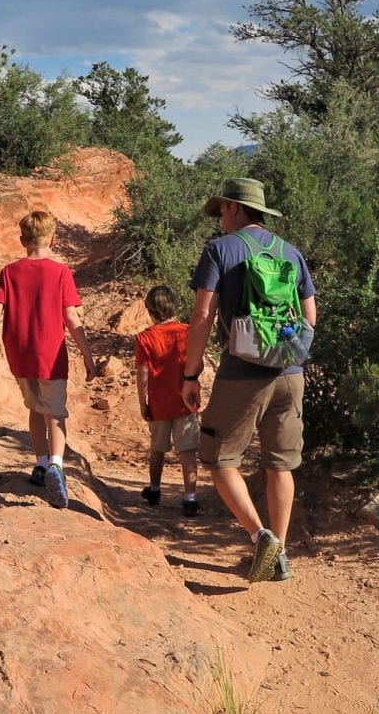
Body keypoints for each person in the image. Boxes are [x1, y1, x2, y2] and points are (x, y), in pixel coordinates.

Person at [181, 178, 316, 582]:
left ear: (235, 209)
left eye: (222, 209)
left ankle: (260, 538)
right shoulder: (291, 252)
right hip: (291, 372)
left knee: (219, 458)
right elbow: (311, 317)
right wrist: (289, 352)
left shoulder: (220, 250)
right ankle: (281, 553)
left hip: (242, 372)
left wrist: (191, 373)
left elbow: (203, 316)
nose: (220, 216)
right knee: (280, 463)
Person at [0, 210, 96, 508]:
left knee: (35, 408)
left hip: (19, 353)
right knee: (55, 413)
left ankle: (39, 465)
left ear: (22, 240)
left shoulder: (10, 272)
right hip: (49, 354)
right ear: (53, 239)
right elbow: (70, 316)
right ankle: (56, 465)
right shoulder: (61, 272)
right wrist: (87, 355)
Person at [135, 285, 201, 517]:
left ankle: (154, 489)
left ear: (150, 310)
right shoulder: (188, 331)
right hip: (186, 401)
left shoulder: (144, 338)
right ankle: (190, 498)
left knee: (158, 448)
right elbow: (197, 364)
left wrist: (143, 404)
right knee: (188, 451)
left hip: (159, 402)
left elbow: (143, 375)